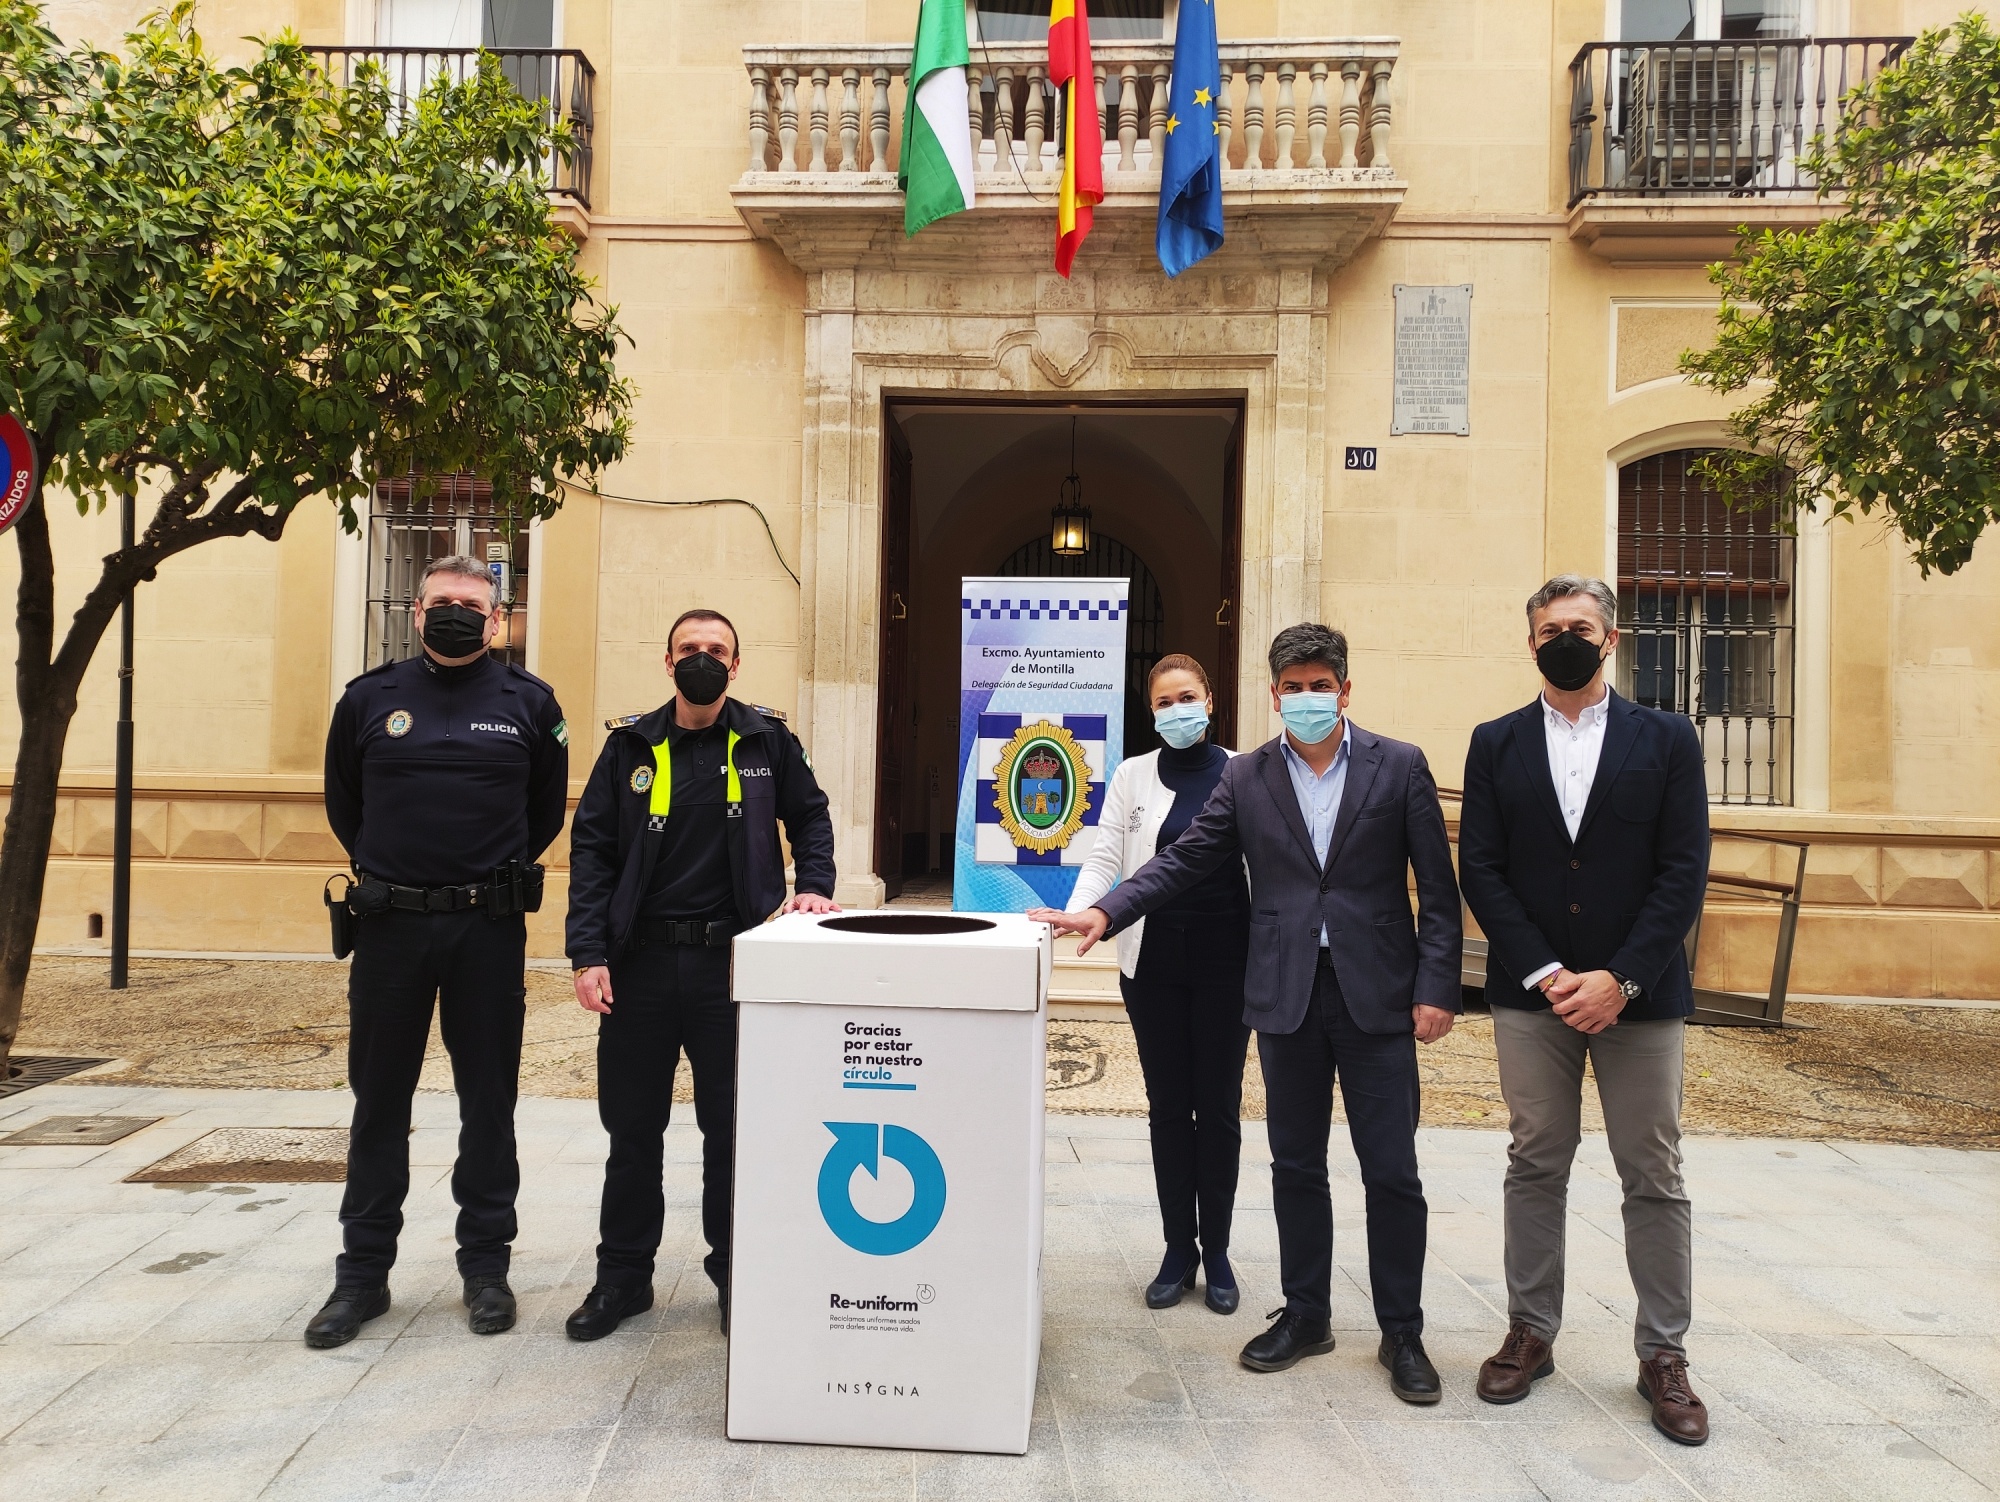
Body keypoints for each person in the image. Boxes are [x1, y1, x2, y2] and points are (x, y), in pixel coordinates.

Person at [1041, 624, 1461, 1402]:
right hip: (1285, 992)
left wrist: (1437, 988)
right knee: (1296, 1164)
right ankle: (1307, 1315)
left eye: (1320, 684)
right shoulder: (1251, 777)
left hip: (1376, 993)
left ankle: (1403, 1331)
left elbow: (1438, 891)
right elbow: (1185, 858)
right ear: (1272, 695)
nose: (1306, 698)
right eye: (1292, 686)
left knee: (1391, 1172)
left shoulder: (1398, 765)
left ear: (1344, 687)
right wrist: (1106, 912)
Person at [1457, 574, 1711, 1445]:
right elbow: (1481, 868)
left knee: (1654, 1171)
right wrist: (1548, 972)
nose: (1565, 637)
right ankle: (1532, 1333)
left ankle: (1664, 1356)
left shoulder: (1668, 738)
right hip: (1536, 998)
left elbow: (1683, 870)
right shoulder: (1495, 743)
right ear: (1530, 642)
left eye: (1582, 626)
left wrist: (1620, 980)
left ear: (1610, 638)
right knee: (1536, 1161)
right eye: (1549, 627)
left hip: (1639, 1001)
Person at [309, 555, 569, 1348]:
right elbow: (345, 806)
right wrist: (403, 876)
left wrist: (476, 882)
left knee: (487, 1103)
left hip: (486, 931)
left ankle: (485, 1269)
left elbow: (545, 813)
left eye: (473, 604)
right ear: (416, 613)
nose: (457, 613)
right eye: (442, 602)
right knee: (378, 1102)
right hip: (391, 929)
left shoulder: (530, 704)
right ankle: (362, 1277)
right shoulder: (367, 701)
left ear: (496, 621)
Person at [564, 607, 838, 1341]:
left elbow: (811, 818)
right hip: (639, 968)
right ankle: (622, 1279)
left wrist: (813, 884)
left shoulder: (766, 740)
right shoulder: (631, 745)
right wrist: (587, 954)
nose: (702, 659)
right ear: (667, 661)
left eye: (716, 650)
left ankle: (736, 1277)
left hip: (734, 969)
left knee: (735, 1131)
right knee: (632, 1134)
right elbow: (591, 849)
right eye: (689, 649)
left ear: (736, 665)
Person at [1032, 654, 1250, 1315]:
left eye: (1187, 696)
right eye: (1163, 702)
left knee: (1215, 1110)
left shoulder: (1245, 773)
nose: (1176, 710)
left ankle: (1217, 1252)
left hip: (1226, 964)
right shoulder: (1132, 775)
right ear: (1150, 711)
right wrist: (1081, 910)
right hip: (1152, 964)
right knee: (1166, 1107)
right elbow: (1104, 855)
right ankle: (1175, 1249)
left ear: (1210, 700)